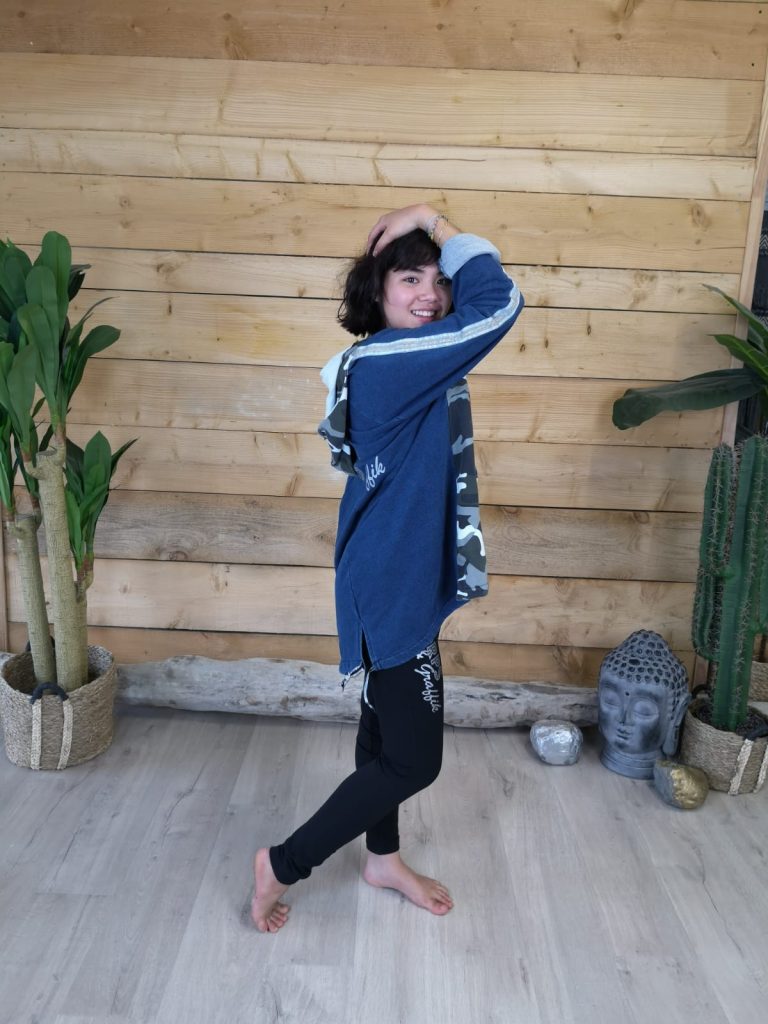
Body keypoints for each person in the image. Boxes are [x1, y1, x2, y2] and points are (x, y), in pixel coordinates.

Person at [251, 203, 524, 933]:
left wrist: (430, 238)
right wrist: (434, 218)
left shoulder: (404, 353)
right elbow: (500, 303)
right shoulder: (393, 361)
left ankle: (382, 859)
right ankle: (282, 863)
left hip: (390, 569)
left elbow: (472, 305)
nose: (431, 293)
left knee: (381, 728)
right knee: (413, 761)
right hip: (393, 583)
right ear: (376, 291)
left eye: (439, 279)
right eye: (410, 278)